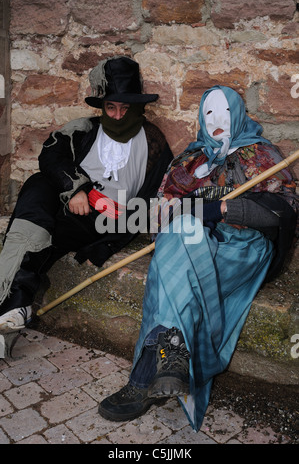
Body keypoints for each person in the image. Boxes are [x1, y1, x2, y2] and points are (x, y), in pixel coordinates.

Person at [98, 85, 298, 430]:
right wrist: (171, 213)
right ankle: (171, 360)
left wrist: (218, 208)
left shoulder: (262, 156)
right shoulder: (189, 161)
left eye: (225, 113)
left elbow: (282, 213)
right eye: (209, 113)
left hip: (242, 247)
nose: (217, 121)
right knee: (178, 236)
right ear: (200, 119)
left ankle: (144, 378)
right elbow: (159, 217)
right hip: (188, 243)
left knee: (172, 266)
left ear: (238, 115)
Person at [0, 56, 172, 346]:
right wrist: (78, 189)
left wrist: (116, 229)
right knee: (38, 188)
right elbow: (51, 156)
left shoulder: (153, 142)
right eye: (111, 107)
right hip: (70, 202)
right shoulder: (85, 129)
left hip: (104, 219)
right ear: (102, 107)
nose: (117, 116)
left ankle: (14, 301)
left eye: (125, 108)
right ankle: (14, 306)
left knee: (42, 225)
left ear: (139, 107)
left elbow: (153, 197)